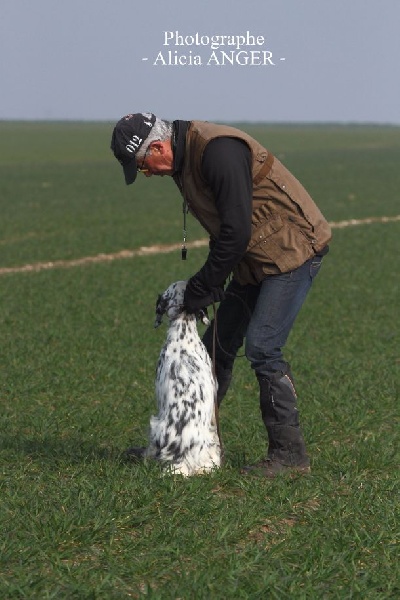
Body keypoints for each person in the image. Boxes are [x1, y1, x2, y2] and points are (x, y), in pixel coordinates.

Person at [110, 112, 331, 477]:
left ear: (159, 147)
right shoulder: (184, 161)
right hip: (253, 259)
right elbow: (232, 234)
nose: (148, 175)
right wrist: (209, 283)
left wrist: (202, 286)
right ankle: (186, 447)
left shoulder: (218, 152)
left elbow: (236, 231)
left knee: (262, 347)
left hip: (291, 252)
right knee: (216, 347)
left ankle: (290, 456)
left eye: (145, 167)